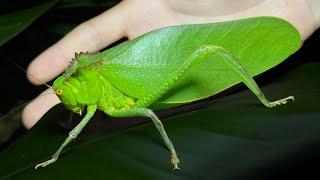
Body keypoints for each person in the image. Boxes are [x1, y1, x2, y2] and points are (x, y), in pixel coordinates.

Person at [22, 0, 320, 129]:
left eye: (62, 91)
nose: (62, 93)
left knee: (208, 50)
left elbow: (149, 112)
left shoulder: (97, 77)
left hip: (149, 75)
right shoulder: (88, 81)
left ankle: (266, 102)